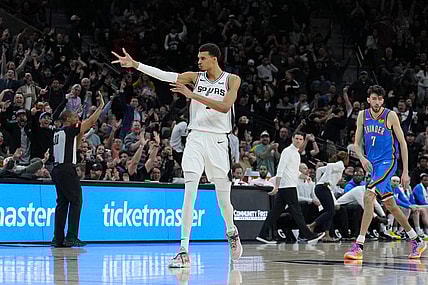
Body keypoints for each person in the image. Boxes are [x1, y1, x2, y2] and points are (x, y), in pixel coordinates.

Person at [112, 43, 243, 267]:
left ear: (214, 59)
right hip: (195, 138)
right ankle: (183, 250)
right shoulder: (195, 77)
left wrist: (193, 96)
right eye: (198, 58)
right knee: (189, 194)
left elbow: (225, 106)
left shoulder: (232, 79)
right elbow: (165, 76)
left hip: (220, 141)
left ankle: (231, 231)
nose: (199, 62)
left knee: (223, 203)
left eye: (202, 58)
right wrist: (136, 65)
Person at [344, 85, 426, 260]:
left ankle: (358, 245)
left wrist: (404, 171)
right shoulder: (362, 116)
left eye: (380, 99)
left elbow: (403, 143)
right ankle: (417, 240)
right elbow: (356, 144)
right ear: (368, 100)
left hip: (388, 162)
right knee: (391, 206)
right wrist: (362, 159)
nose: (377, 102)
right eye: (374, 98)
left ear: (383, 100)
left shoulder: (390, 115)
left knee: (368, 197)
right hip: (372, 165)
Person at [51, 93, 105, 247]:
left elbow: (76, 147)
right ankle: (72, 237)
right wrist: (100, 106)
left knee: (62, 204)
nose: (77, 120)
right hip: (67, 169)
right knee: (76, 201)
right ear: (68, 120)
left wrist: (80, 135)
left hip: (57, 170)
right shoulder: (68, 129)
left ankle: (58, 238)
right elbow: (92, 121)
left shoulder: (58, 133)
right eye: (75, 117)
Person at [256, 132, 325, 244]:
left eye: (300, 139)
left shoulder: (296, 154)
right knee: (297, 212)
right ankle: (309, 236)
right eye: (296, 138)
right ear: (292, 139)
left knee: (275, 212)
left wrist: (301, 175)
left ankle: (262, 235)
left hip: (288, 186)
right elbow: (281, 169)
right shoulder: (287, 152)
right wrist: (276, 186)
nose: (298, 141)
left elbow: (292, 170)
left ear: (303, 141)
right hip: (287, 186)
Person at [307, 151, 348, 242]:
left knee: (329, 211)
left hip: (320, 187)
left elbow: (319, 170)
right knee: (331, 211)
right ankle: (312, 225)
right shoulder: (340, 165)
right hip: (323, 188)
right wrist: (328, 181)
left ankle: (327, 235)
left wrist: (318, 181)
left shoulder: (337, 165)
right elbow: (329, 166)